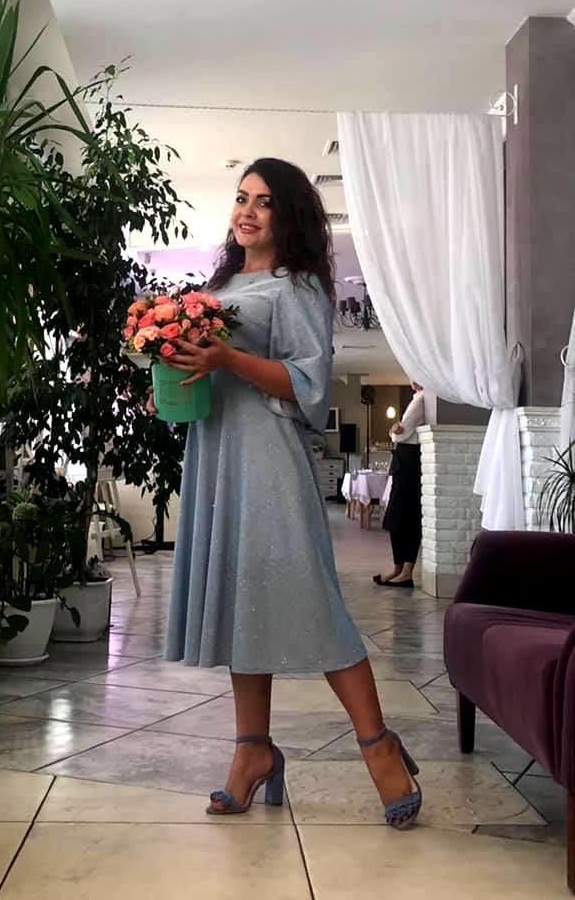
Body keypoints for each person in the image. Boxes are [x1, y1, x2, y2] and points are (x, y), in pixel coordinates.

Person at [149, 158, 422, 828]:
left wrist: (227, 358)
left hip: (269, 457)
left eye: (263, 201)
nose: (247, 211)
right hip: (217, 452)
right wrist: (170, 368)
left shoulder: (296, 287)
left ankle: (378, 746)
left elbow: (309, 385)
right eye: (241, 197)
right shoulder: (220, 286)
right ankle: (252, 751)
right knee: (241, 602)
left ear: (288, 213)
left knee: (314, 601)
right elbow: (209, 376)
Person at [373, 383, 425, 589]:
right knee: (397, 517)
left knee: (406, 517)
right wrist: (396, 430)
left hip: (409, 462)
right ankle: (399, 568)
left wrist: (394, 432)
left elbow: (400, 433)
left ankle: (405, 572)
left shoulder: (422, 399)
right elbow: (400, 430)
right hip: (405, 460)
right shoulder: (418, 398)